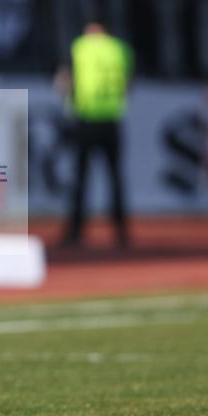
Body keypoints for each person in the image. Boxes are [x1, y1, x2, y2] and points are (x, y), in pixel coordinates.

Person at [57, 18, 132, 248]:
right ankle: (121, 231)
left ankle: (75, 231)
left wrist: (68, 101)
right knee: (115, 177)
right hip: (112, 119)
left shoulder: (80, 47)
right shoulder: (120, 49)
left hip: (86, 118)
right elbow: (129, 83)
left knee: (80, 178)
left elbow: (64, 81)